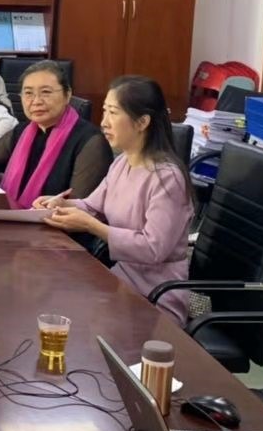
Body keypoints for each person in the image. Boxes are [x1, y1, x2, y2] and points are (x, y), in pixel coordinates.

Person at [42, 76, 194, 324]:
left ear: (142, 122)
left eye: (113, 113)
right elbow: (92, 206)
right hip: (119, 281)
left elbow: (153, 248)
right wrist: (63, 204)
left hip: (155, 297)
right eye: (104, 111)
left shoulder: (168, 178)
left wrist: (92, 226)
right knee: (54, 298)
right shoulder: (122, 162)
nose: (104, 122)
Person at [0, 60, 111, 206]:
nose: (36, 101)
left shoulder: (91, 143)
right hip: (12, 217)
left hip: (55, 220)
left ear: (67, 95)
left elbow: (82, 205)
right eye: (28, 93)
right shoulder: (22, 131)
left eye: (46, 92)